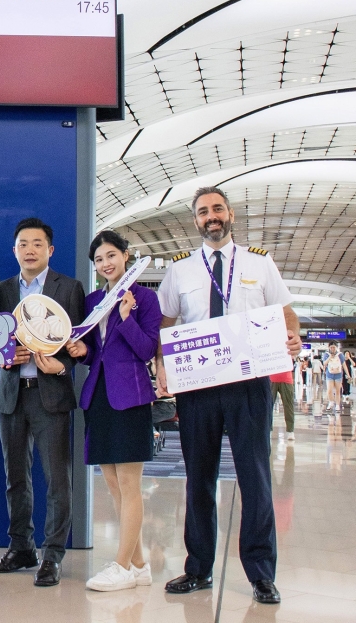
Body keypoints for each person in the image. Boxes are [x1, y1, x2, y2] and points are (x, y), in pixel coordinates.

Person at [156, 186, 301, 605]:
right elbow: (165, 323)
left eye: (217, 208)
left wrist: (292, 336)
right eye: (203, 211)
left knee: (254, 477)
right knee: (199, 477)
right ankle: (198, 568)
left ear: (230, 214)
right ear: (196, 221)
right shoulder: (180, 270)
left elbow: (285, 311)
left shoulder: (259, 262)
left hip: (249, 384)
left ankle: (261, 574)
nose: (211, 216)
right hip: (198, 386)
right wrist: (162, 365)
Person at [0, 218, 84, 588]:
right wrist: (2, 355)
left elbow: (79, 343)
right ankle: (21, 548)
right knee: (15, 477)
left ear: (50, 250)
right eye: (23, 244)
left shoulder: (69, 288)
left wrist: (64, 365)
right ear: (15, 251)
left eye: (37, 244)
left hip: (51, 394)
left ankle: (52, 555)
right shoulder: (2, 290)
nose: (30, 250)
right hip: (11, 393)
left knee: (57, 478)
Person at [67, 230, 161, 592]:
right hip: (98, 395)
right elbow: (95, 350)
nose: (106, 264)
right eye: (99, 260)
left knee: (129, 484)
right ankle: (138, 565)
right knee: (112, 484)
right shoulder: (93, 300)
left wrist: (126, 317)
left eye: (111, 255)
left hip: (131, 395)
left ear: (126, 256)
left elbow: (146, 349)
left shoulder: (145, 298)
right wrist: (82, 353)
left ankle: (121, 566)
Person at [270, 370, 295, 441]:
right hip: (272, 377)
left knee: (288, 406)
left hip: (286, 378)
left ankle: (290, 430)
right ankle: (267, 430)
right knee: (267, 407)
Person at [324, 344, 343, 414]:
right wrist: (329, 357)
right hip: (329, 374)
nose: (332, 348)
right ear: (329, 347)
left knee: (338, 391)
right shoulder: (326, 354)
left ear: (336, 347)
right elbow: (324, 363)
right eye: (331, 347)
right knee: (329, 390)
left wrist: (348, 374)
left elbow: (343, 364)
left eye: (334, 347)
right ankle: (331, 402)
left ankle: (337, 405)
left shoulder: (340, 354)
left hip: (338, 375)